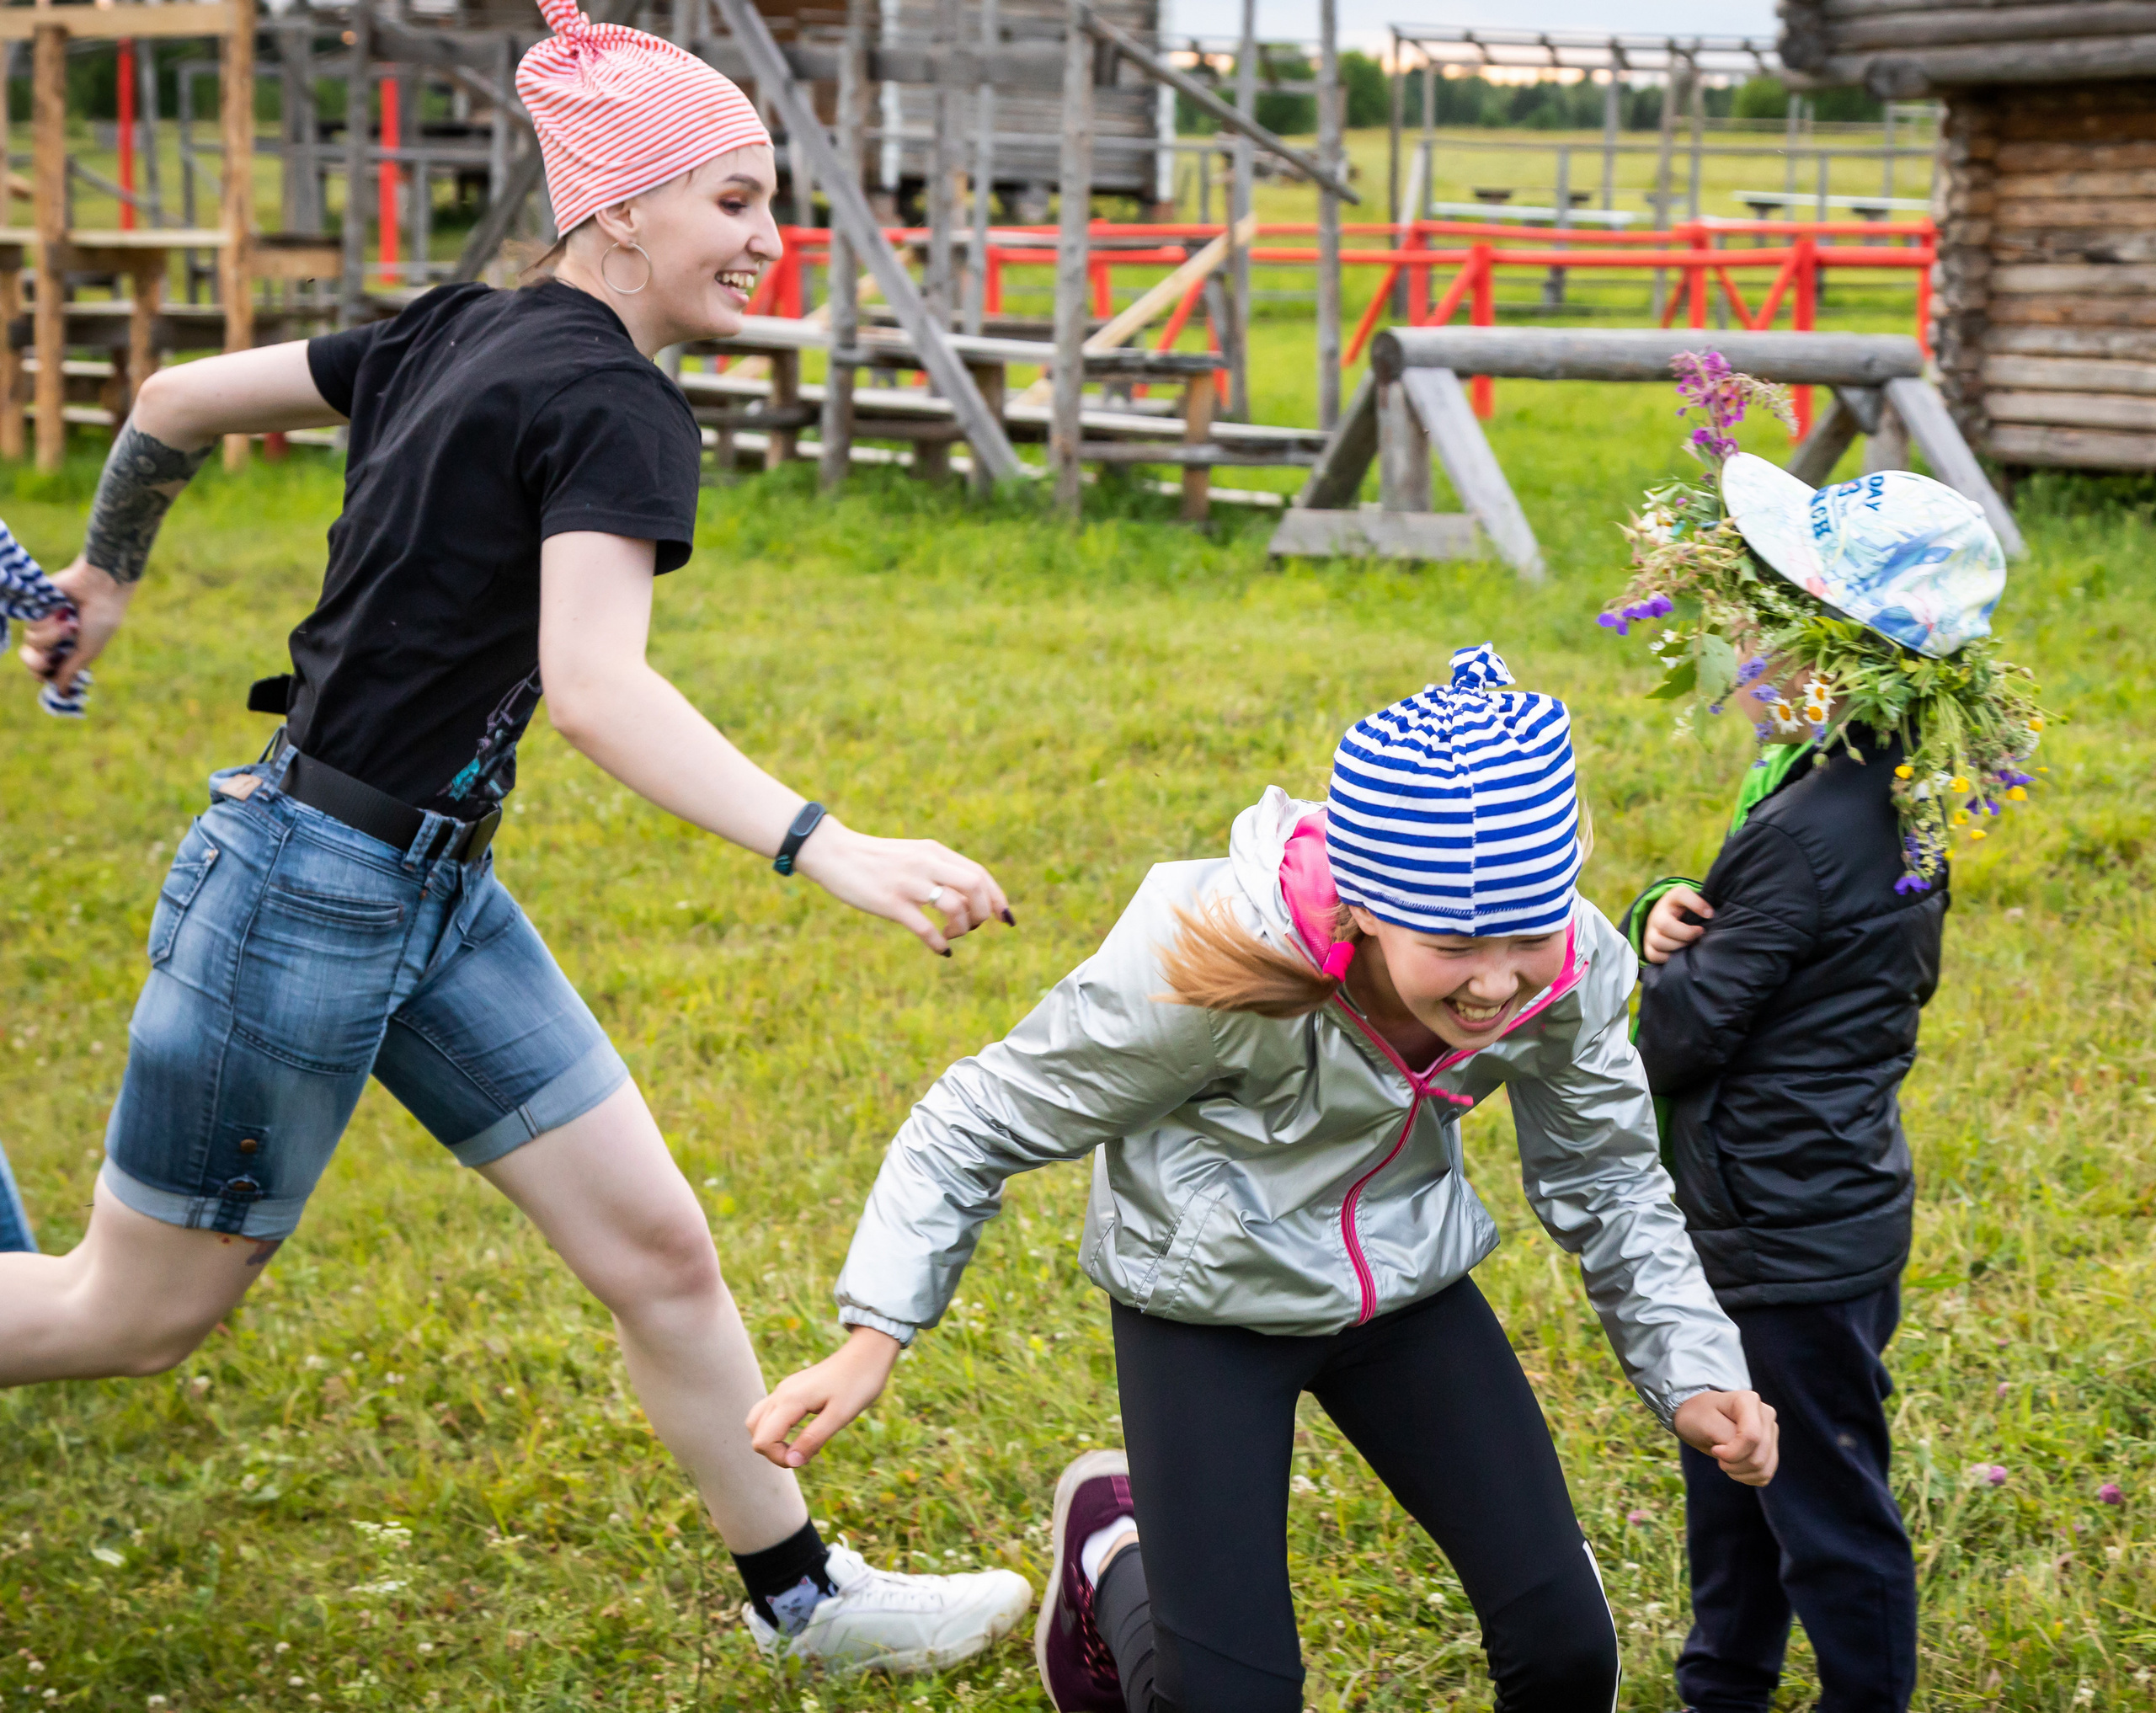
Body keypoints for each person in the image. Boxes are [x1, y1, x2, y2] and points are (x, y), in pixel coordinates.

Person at [2, 0, 1033, 1673]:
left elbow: (178, 398)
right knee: (131, 1317)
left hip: (422, 892)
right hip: (304, 901)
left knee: (656, 1248)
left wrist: (107, 569)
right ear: (617, 205)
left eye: (770, 206)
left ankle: (802, 1606)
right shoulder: (613, 402)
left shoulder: (449, 328)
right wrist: (830, 848)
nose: (767, 242)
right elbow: (597, 694)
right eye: (731, 201)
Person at [745, 643, 1782, 1713]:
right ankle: (1112, 1552)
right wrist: (875, 1334)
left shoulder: (1564, 970)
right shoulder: (1205, 965)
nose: (1495, 982)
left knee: (1568, 1653)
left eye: (1525, 933)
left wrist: (1694, 1368)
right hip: (1207, 1310)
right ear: (1366, 908)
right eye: (1456, 943)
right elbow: (975, 1119)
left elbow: (1608, 1177)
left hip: (1406, 1289)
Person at [1600, 424, 2050, 1713]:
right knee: (1740, 1466)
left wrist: (1646, 970)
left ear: (1831, 655)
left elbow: (1682, 1036)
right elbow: (1799, 966)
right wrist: (1674, 912)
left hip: (1779, 1226)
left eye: (1765, 624)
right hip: (1815, 1197)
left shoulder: (1809, 830)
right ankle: (1721, 1688)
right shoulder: (1873, 792)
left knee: (1822, 1505)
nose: (1742, 647)